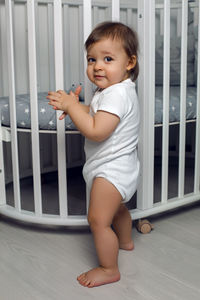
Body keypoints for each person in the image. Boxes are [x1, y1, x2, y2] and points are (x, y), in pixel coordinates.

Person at [47, 21, 140, 288]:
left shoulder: (116, 94)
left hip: (112, 170)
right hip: (120, 167)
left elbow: (97, 131)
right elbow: (97, 114)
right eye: (92, 59)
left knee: (98, 220)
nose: (97, 66)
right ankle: (125, 242)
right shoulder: (113, 91)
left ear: (129, 62)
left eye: (108, 59)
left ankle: (109, 268)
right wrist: (77, 107)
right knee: (117, 209)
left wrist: (72, 108)